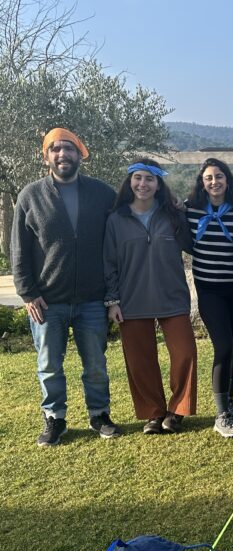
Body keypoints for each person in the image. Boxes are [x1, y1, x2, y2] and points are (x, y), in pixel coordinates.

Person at [11, 127, 122, 446]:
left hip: (92, 299)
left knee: (96, 365)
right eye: (56, 149)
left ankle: (99, 414)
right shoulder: (30, 196)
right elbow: (18, 249)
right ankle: (54, 419)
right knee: (49, 366)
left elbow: (120, 235)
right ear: (46, 156)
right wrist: (28, 292)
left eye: (69, 148)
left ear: (79, 154)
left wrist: (113, 296)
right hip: (47, 301)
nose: (63, 154)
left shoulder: (102, 194)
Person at [103, 159, 196, 434]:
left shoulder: (173, 216)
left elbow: (192, 245)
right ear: (130, 182)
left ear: (158, 185)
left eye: (149, 179)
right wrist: (112, 300)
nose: (142, 184)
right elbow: (109, 263)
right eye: (138, 178)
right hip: (131, 300)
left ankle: (177, 411)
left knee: (185, 354)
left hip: (172, 297)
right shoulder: (116, 219)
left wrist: (184, 211)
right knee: (139, 361)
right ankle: (154, 413)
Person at [185, 158, 233, 438]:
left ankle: (230, 400)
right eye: (209, 177)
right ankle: (221, 414)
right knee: (223, 346)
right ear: (202, 182)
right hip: (209, 290)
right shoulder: (190, 210)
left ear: (227, 179)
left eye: (219, 176)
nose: (214, 182)